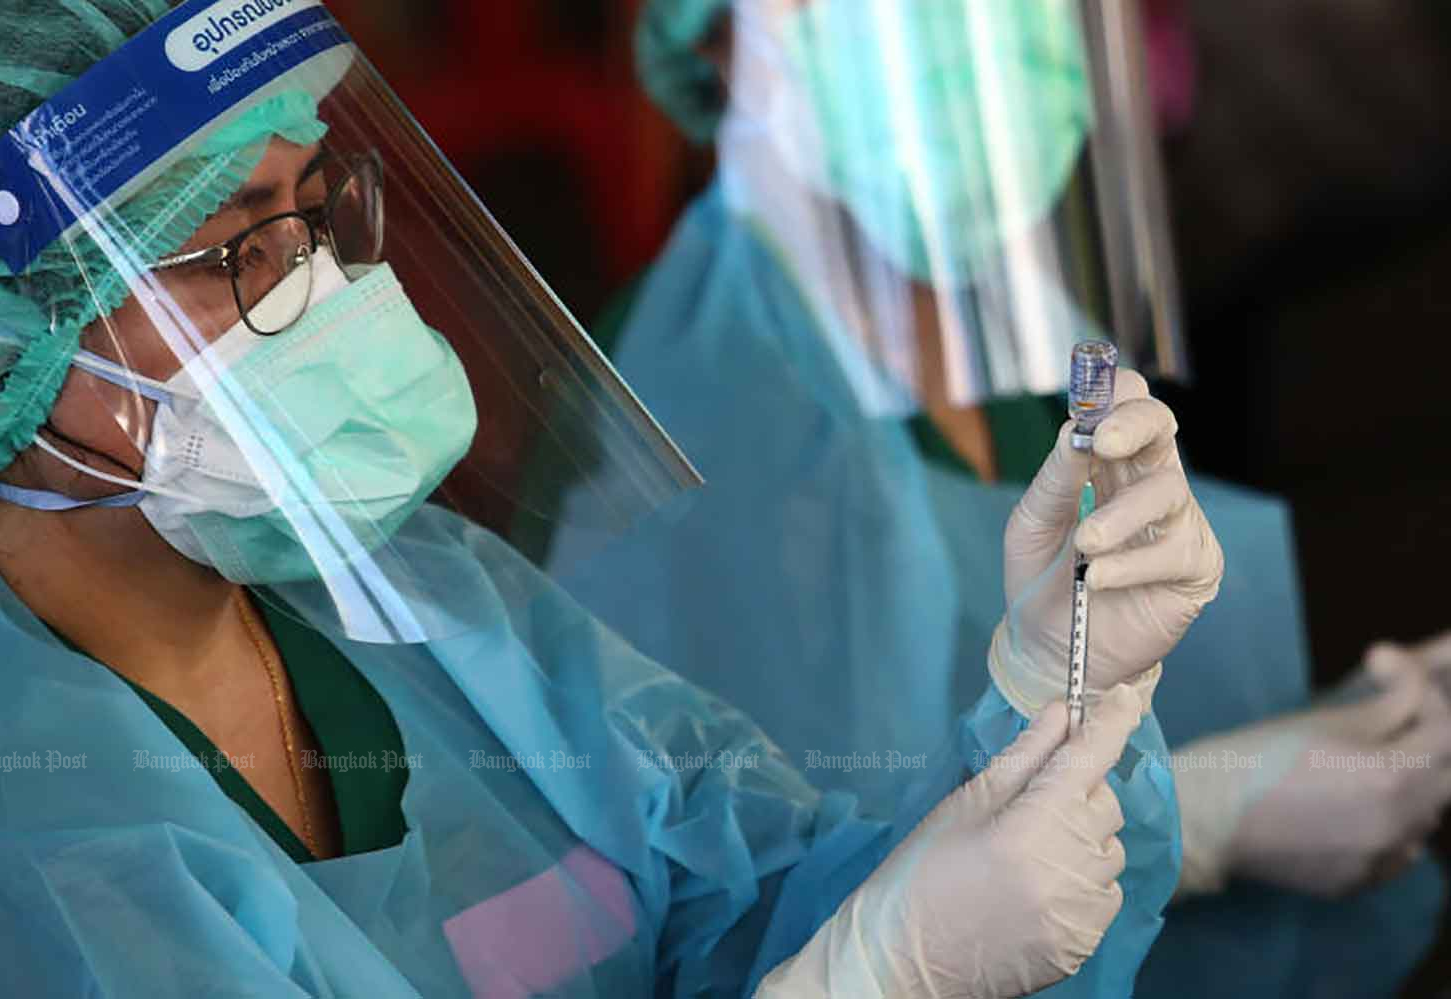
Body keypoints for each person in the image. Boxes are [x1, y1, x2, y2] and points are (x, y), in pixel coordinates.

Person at [0, 2, 1225, 996]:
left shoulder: (438, 609)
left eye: (316, 213)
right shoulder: (5, 836)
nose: (324, 288)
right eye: (240, 245)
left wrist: (1046, 711)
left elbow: (758, 895)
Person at [547, 0, 1451, 996]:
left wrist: (1316, 749)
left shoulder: (998, 341)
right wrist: (1204, 818)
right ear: (722, 38)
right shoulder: (683, 432)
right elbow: (765, 922)